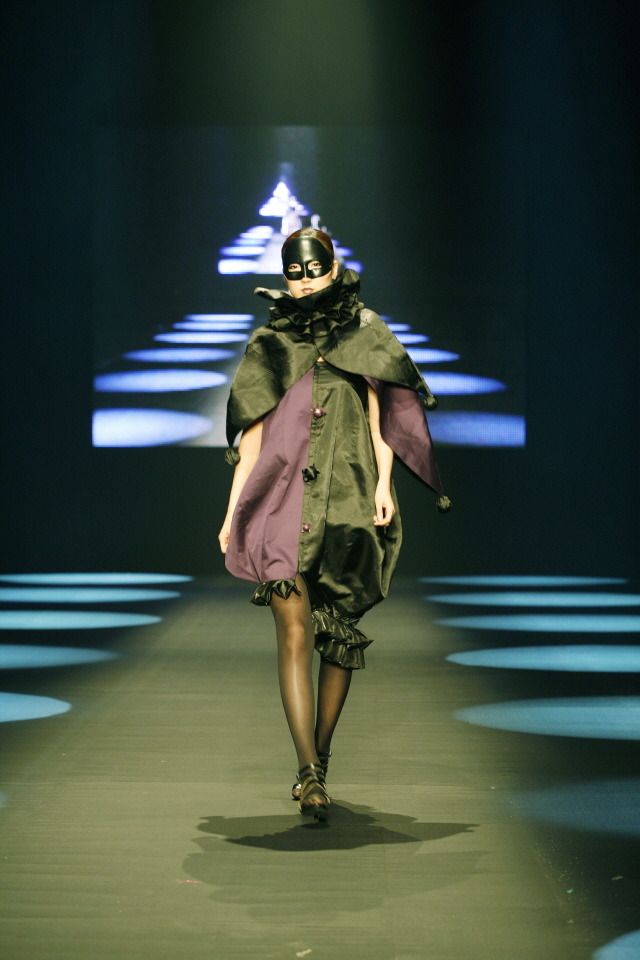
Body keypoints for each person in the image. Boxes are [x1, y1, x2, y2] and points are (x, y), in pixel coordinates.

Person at [218, 227, 449, 820]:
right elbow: (253, 436)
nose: (304, 281)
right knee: (294, 631)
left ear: (333, 268)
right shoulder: (270, 342)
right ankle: (309, 772)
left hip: (347, 496)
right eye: (294, 272)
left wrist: (384, 484)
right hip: (279, 499)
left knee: (339, 635)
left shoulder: (365, 331)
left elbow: (382, 416)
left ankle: (318, 760)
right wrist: (233, 509)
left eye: (314, 269)